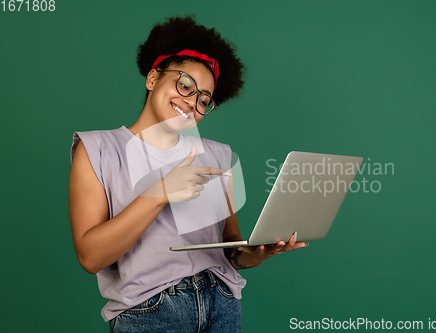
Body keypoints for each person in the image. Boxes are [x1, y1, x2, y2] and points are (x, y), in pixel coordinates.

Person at [69, 15, 308, 333]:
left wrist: (257, 253)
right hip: (150, 312)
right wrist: (160, 192)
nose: (192, 102)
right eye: (184, 85)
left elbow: (231, 250)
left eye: (204, 99)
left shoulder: (220, 155)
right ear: (153, 78)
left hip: (222, 303)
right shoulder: (97, 148)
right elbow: (90, 257)